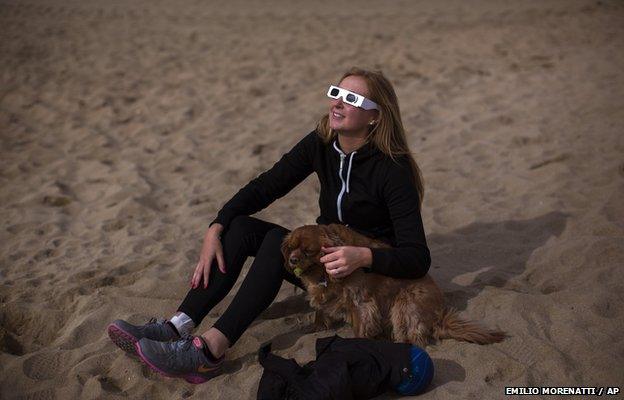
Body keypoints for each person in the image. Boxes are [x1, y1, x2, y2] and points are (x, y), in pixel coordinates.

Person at [107, 67, 431, 384]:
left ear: (375, 116)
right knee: (241, 227)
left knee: (277, 241)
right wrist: (216, 225)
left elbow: (417, 257)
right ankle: (178, 325)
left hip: (364, 279)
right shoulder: (321, 142)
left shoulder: (393, 169)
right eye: (336, 93)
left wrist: (362, 256)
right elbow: (267, 186)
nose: (338, 103)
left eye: (351, 99)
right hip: (321, 266)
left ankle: (209, 351)